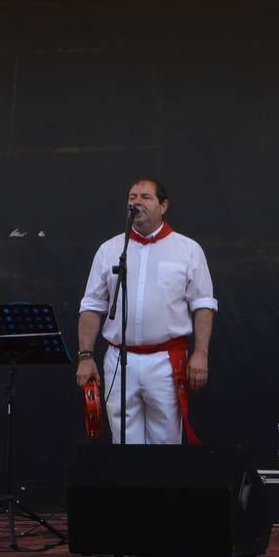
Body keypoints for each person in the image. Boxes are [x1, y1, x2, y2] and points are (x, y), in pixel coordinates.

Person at [76, 178, 216, 444]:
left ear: (163, 206)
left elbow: (203, 305)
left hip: (165, 360)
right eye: (131, 197)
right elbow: (92, 306)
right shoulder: (110, 250)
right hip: (119, 357)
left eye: (145, 197)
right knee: (123, 441)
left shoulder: (187, 249)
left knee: (165, 442)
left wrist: (200, 353)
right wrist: (86, 356)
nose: (136, 202)